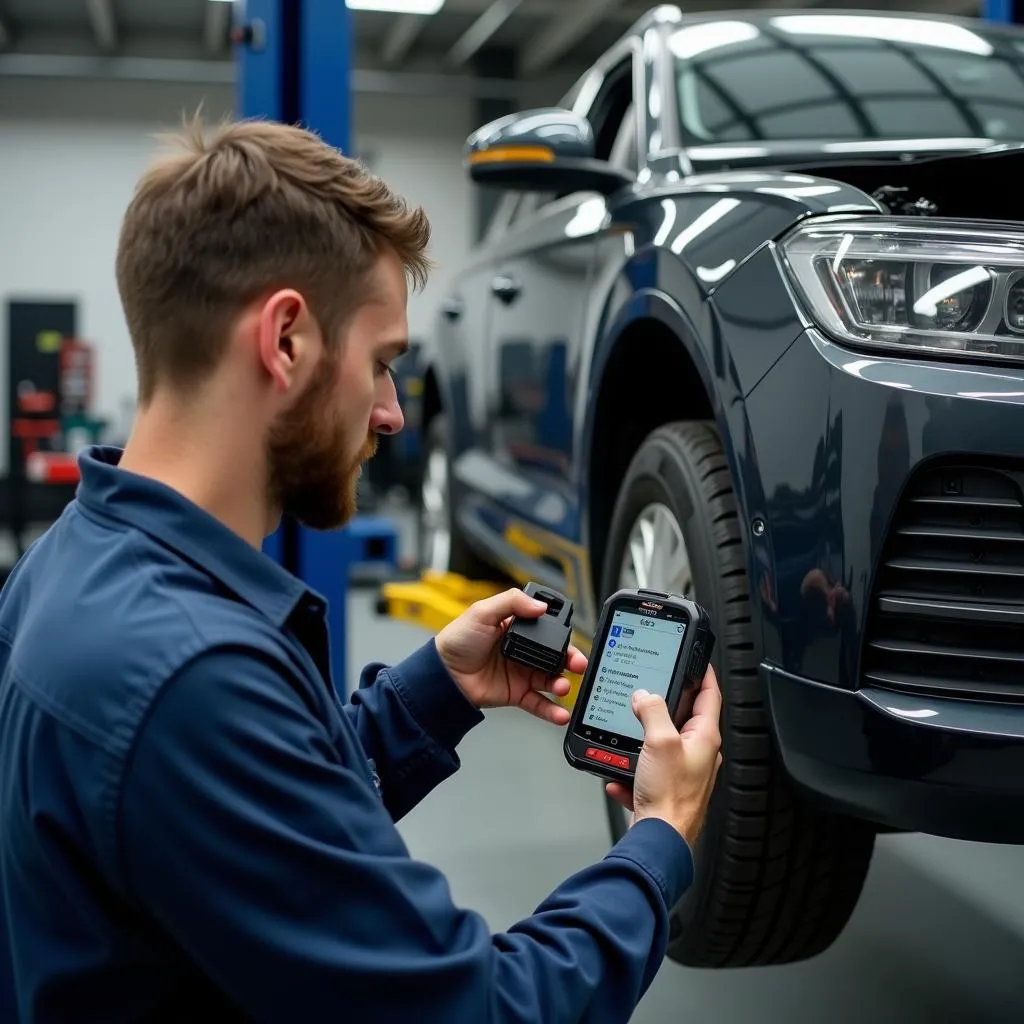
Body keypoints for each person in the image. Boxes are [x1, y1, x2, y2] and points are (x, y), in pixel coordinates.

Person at [0, 116, 723, 1023]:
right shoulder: (193, 677)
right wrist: (659, 842)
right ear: (287, 340)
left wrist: (436, 692)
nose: (391, 414)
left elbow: (265, 822)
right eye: (381, 365)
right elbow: (486, 1011)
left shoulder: (65, 566)